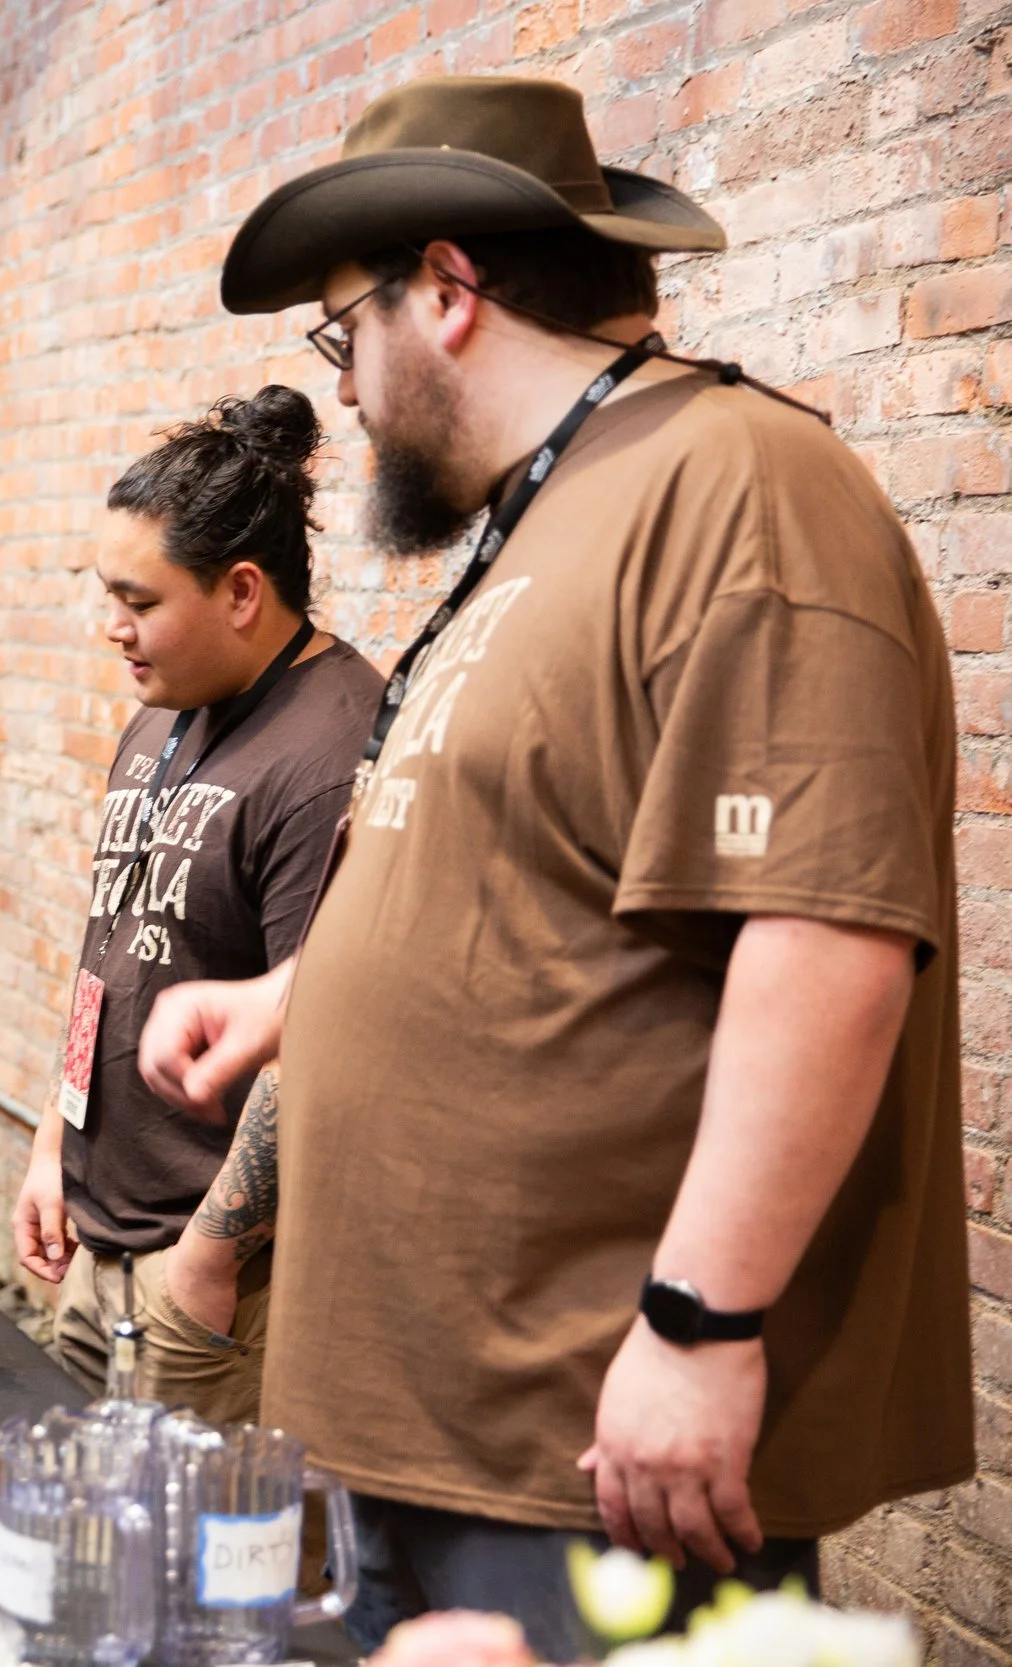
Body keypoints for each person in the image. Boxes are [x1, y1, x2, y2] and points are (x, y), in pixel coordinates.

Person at [140, 76, 970, 1654]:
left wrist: (700, 1321)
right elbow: (524, 882)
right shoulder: (550, 512)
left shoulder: (741, 484)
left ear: (447, 290)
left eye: (344, 333)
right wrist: (290, 997)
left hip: (583, 1449)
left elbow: (825, 934)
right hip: (416, 1417)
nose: (346, 389)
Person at [11, 388, 380, 1423]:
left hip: (213, 1280)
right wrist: (52, 1142)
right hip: (100, 1244)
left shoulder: (331, 755)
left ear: (241, 591)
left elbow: (322, 1034)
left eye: (139, 600)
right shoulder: (166, 706)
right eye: (107, 595)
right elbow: (112, 949)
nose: (112, 628)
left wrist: (209, 1259)